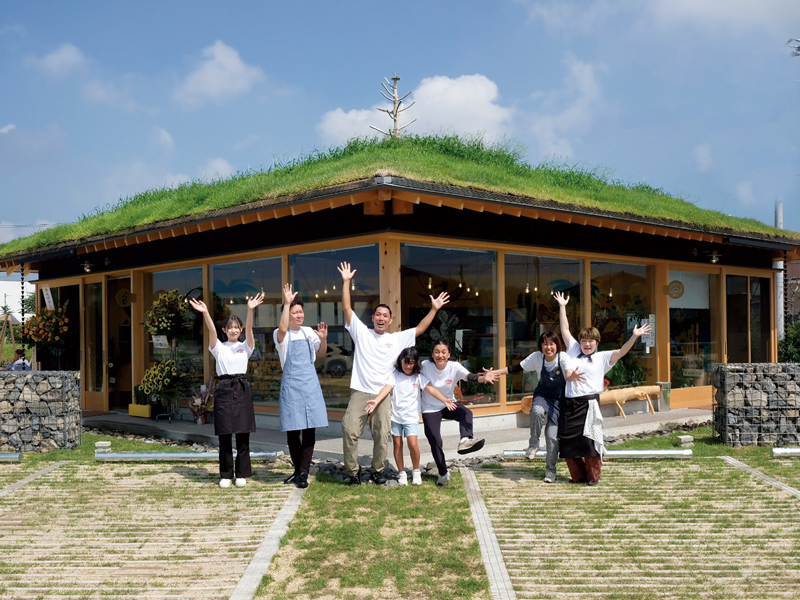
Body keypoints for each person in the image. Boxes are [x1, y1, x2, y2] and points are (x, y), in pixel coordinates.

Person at [338, 261, 449, 486]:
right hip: (360, 391)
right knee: (349, 430)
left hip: (384, 393)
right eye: (377, 314)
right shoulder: (362, 333)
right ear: (373, 318)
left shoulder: (396, 338)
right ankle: (352, 472)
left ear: (390, 320)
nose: (380, 318)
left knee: (382, 435)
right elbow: (347, 309)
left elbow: (420, 329)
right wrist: (346, 282)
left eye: (385, 315)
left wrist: (434, 309)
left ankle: (377, 470)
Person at [555, 291, 651, 485]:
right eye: (584, 340)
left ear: (597, 343)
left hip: (589, 404)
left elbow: (622, 352)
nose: (587, 344)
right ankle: (578, 476)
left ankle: (592, 478)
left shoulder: (603, 357)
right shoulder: (573, 349)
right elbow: (565, 331)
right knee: (567, 442)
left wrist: (634, 336)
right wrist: (563, 306)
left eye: (591, 341)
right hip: (570, 404)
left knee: (590, 443)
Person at [482, 331, 578, 483]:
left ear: (557, 345)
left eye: (551, 344)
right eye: (545, 343)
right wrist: (494, 373)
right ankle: (533, 444)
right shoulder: (537, 357)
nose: (548, 347)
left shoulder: (563, 357)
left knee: (552, 438)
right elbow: (514, 369)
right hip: (542, 396)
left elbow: (569, 372)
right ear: (541, 345)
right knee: (537, 411)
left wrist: (572, 376)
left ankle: (550, 471)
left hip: (559, 401)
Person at [190, 293, 263, 489]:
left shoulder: (245, 346)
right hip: (223, 389)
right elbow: (211, 331)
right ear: (225, 330)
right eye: (229, 327)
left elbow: (250, 329)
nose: (233, 330)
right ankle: (225, 474)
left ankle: (241, 474)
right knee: (224, 435)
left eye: (236, 327)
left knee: (243, 434)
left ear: (239, 330)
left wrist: (250, 309)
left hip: (242, 388)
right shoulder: (218, 348)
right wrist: (205, 313)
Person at [366, 347, 452, 486]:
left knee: (413, 444)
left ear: (415, 363)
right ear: (400, 362)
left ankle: (416, 471)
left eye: (411, 363)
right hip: (395, 417)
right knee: (397, 444)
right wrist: (376, 401)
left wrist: (444, 400)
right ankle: (402, 473)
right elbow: (387, 388)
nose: (407, 366)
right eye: (405, 362)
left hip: (411, 417)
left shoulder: (418, 377)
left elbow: (430, 389)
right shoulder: (394, 375)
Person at [274, 283, 329, 489]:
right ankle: (298, 469)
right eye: (293, 312)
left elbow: (321, 353)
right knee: (292, 430)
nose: (298, 315)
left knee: (309, 430)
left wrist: (323, 339)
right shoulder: (281, 334)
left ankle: (303, 471)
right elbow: (281, 329)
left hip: (310, 386)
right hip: (291, 386)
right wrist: (287, 302)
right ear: (287, 315)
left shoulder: (309, 332)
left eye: (300, 311)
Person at [420, 339, 490, 487]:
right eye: (437, 352)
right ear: (432, 354)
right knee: (435, 440)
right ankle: (443, 474)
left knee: (466, 413)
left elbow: (470, 376)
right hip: (430, 407)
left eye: (443, 352)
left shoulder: (454, 366)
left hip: (449, 404)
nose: (440, 355)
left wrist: (484, 378)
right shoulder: (425, 366)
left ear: (449, 354)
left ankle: (465, 440)